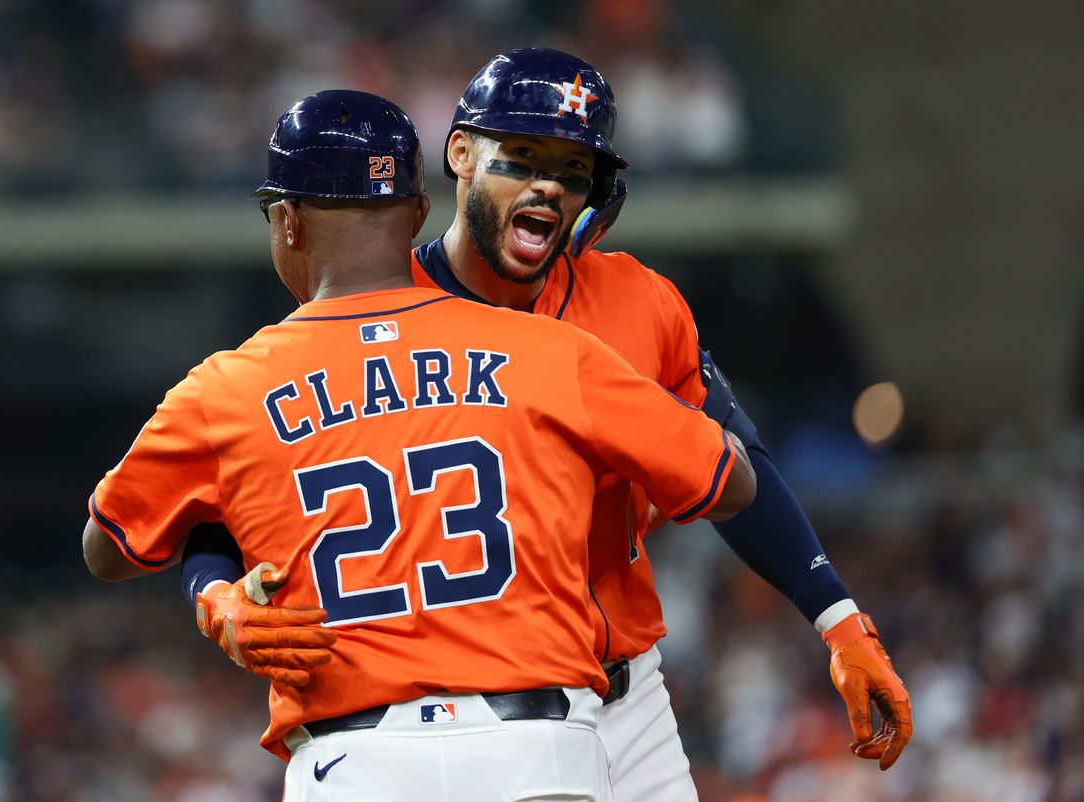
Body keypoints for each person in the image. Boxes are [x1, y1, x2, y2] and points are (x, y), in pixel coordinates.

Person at [180, 49, 914, 799]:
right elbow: (217, 500)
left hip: (624, 700)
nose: (547, 186)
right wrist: (214, 590)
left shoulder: (637, 301)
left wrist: (840, 618)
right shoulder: (367, 317)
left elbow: (739, 462)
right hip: (443, 722)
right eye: (523, 156)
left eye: (572, 170)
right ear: (459, 154)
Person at [82, 88, 757, 802]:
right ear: (419, 213)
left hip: (356, 766)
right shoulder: (550, 351)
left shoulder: (226, 389)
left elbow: (108, 546)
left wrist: (216, 593)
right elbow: (731, 481)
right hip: (537, 751)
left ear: (285, 221)